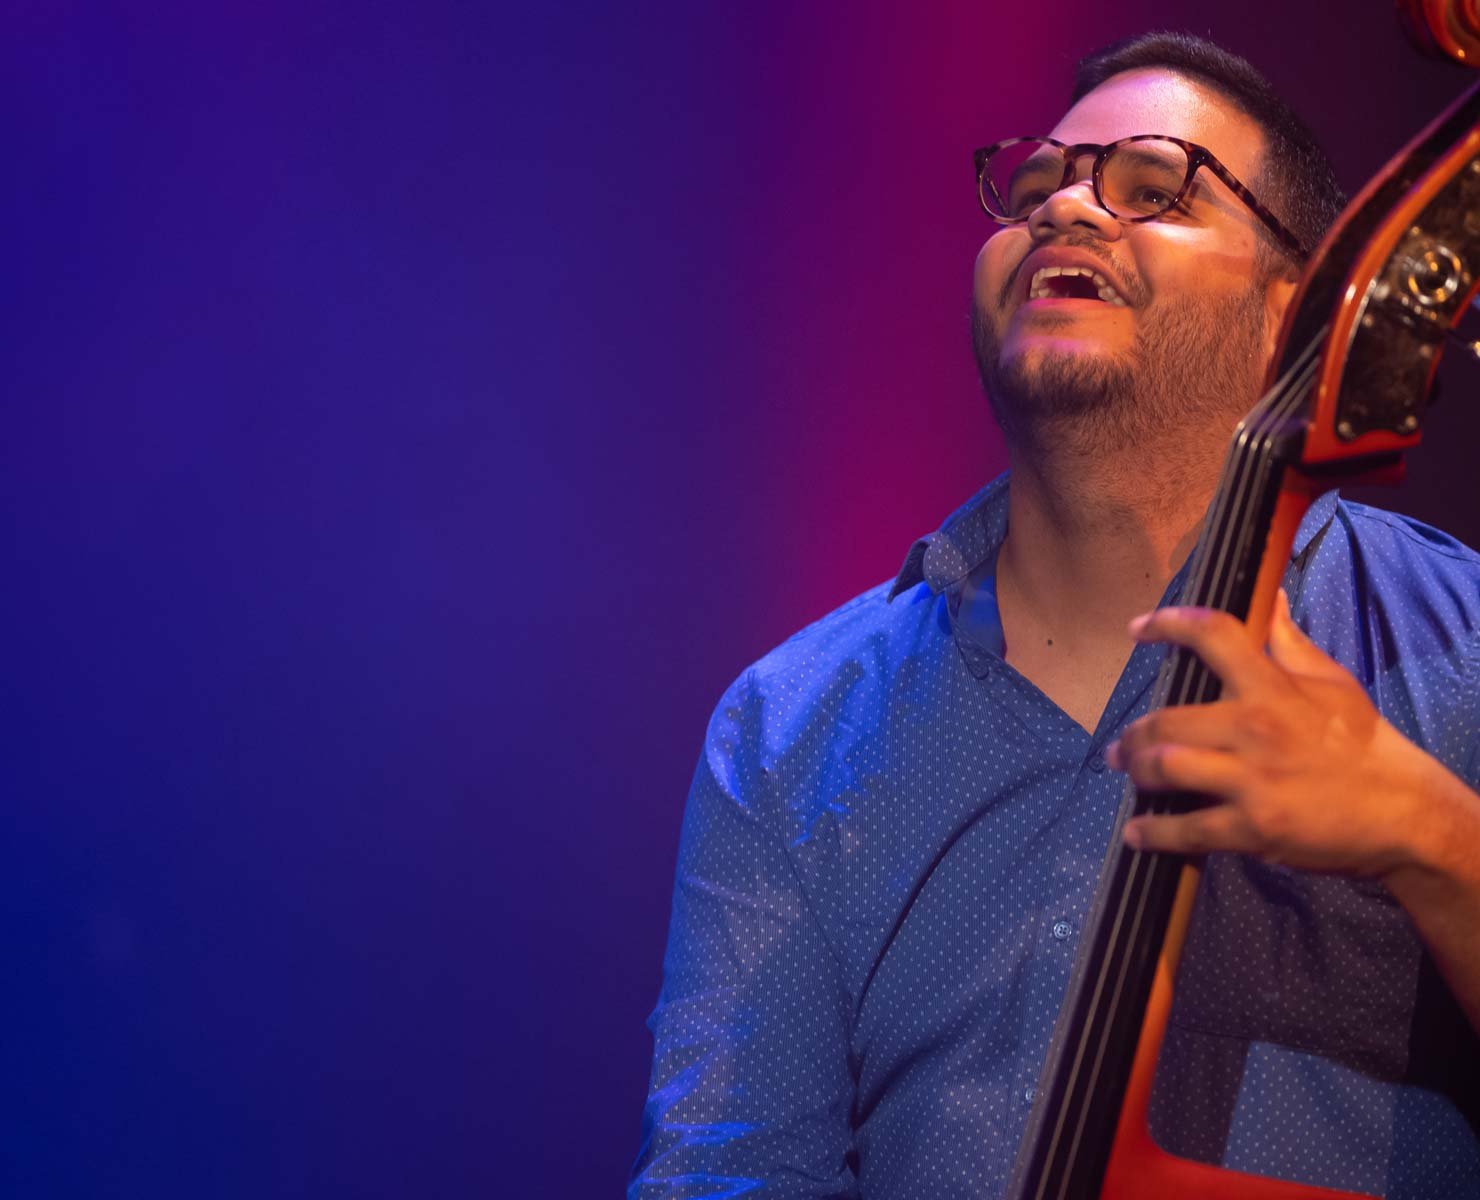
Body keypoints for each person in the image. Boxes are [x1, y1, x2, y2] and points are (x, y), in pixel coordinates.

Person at [630, 32, 1480, 1199]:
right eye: (1039, 183)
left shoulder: (1464, 649)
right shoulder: (790, 728)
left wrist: (1435, 840)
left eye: (1153, 188)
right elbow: (733, 1174)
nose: (1065, 206)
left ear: (1298, 311)